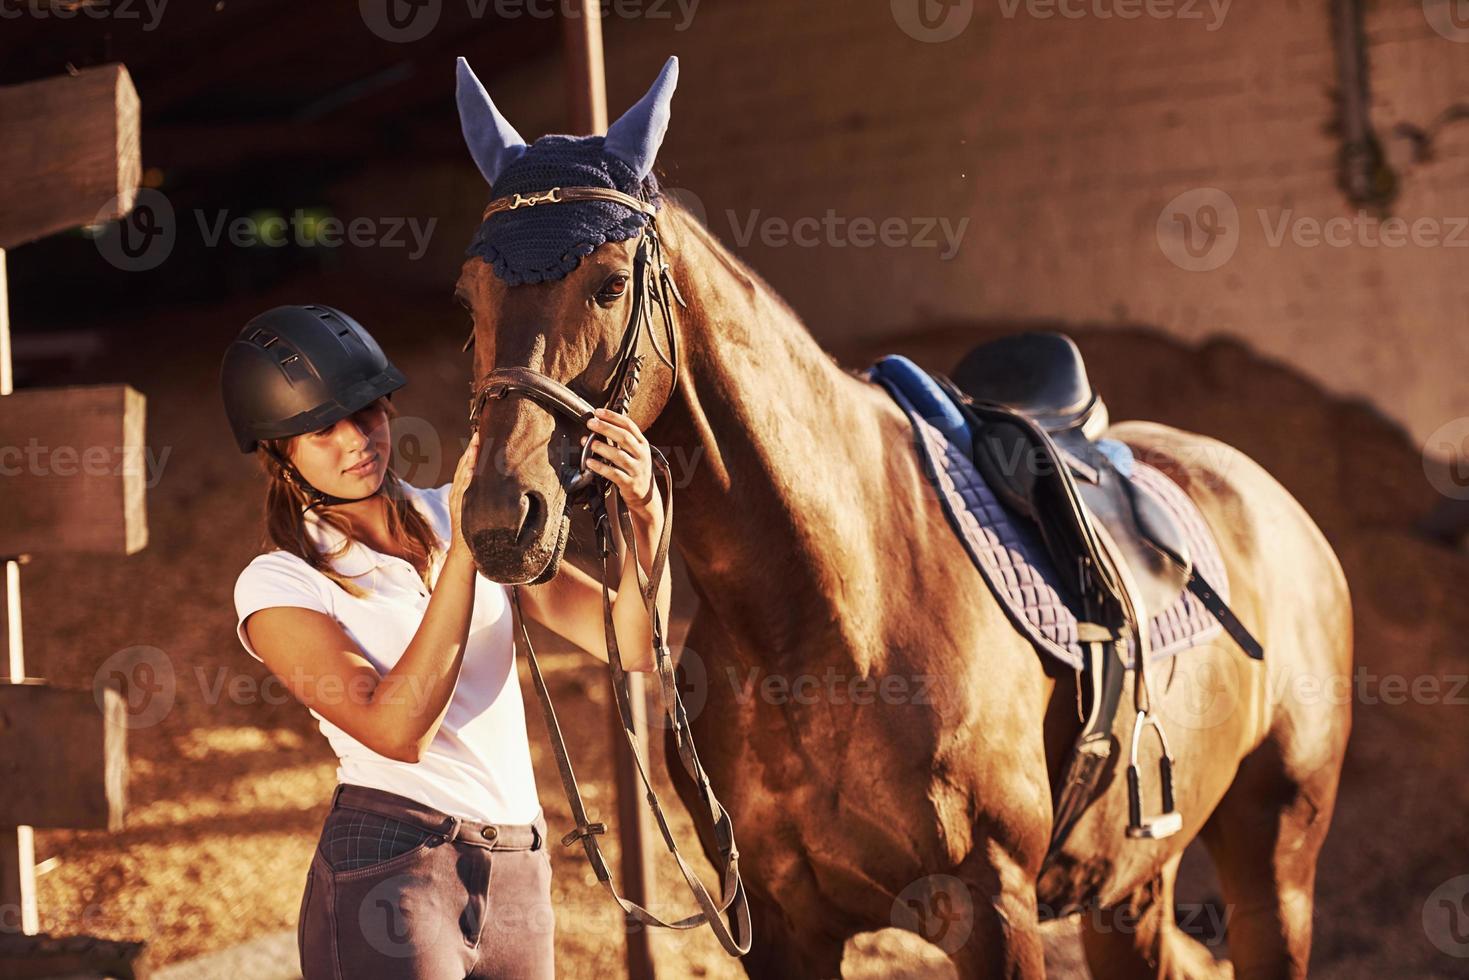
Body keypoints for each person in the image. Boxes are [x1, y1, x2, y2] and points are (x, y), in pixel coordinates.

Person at [219, 303, 667, 979]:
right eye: (320, 430)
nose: (355, 439)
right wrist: (462, 551)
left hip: (518, 868)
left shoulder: (451, 512)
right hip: (392, 867)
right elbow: (397, 730)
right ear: (280, 451)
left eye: (365, 412)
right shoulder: (278, 584)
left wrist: (646, 512)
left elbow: (631, 642)